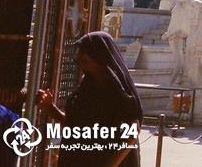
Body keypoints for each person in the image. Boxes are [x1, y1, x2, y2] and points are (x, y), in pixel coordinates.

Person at [37, 31, 143, 167]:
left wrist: (109, 165)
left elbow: (132, 132)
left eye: (84, 55)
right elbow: (76, 124)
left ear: (98, 56)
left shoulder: (116, 90)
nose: (79, 59)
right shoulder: (86, 87)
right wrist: (50, 107)